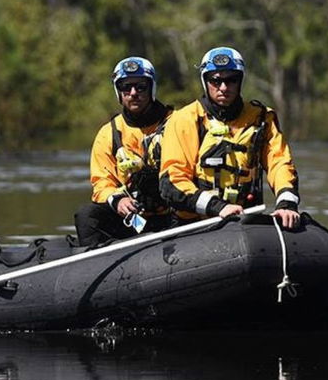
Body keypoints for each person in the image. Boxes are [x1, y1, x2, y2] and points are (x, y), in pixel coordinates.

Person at [159, 46, 302, 229]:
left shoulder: (262, 118)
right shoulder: (185, 120)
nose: (224, 88)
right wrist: (218, 207)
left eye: (231, 80)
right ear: (205, 81)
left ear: (240, 80)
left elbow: (280, 163)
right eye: (215, 81)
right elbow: (172, 182)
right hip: (195, 223)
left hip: (247, 219)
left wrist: (287, 204)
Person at [74, 56, 174, 246]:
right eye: (126, 87)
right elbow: (102, 183)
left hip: (173, 214)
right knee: (87, 215)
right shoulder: (108, 134)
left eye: (141, 87)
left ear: (152, 89)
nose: (133, 93)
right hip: (133, 217)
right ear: (118, 92)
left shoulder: (177, 123)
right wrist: (118, 200)